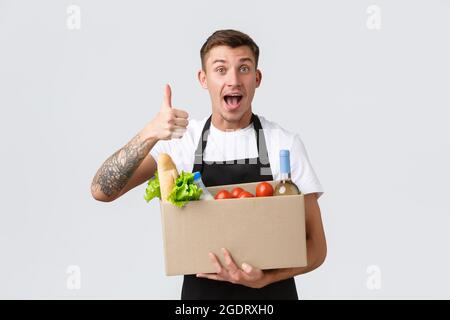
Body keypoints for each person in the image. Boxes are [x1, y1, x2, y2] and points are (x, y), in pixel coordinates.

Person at [91, 29, 327, 300]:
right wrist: (149, 134)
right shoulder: (180, 142)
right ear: (203, 79)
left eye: (244, 68)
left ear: (257, 78)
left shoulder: (283, 143)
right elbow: (101, 191)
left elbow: (316, 246)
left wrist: (266, 279)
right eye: (221, 69)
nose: (234, 80)